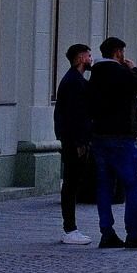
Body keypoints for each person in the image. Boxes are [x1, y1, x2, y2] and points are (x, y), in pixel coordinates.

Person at [88, 36, 137, 250]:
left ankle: (107, 232)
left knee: (104, 186)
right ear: (118, 53)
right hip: (122, 138)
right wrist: (134, 69)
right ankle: (133, 234)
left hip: (99, 137)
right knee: (132, 186)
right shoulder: (122, 73)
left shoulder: (95, 75)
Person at [53, 43, 94, 244]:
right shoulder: (73, 82)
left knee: (72, 183)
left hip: (73, 139)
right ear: (79, 58)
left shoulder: (76, 80)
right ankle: (69, 229)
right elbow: (74, 115)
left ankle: (70, 228)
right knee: (71, 183)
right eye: (88, 55)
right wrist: (80, 142)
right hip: (73, 141)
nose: (90, 59)